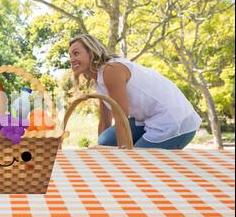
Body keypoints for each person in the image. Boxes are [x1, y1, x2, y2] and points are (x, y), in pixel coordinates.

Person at [68, 34, 201, 149]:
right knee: (105, 141)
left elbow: (121, 117)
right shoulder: (99, 81)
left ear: (91, 52)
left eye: (76, 53)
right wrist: (102, 152)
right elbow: (105, 121)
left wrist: (124, 158)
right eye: (70, 56)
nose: (72, 59)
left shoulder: (112, 70)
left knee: (136, 161)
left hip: (174, 119)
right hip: (147, 119)